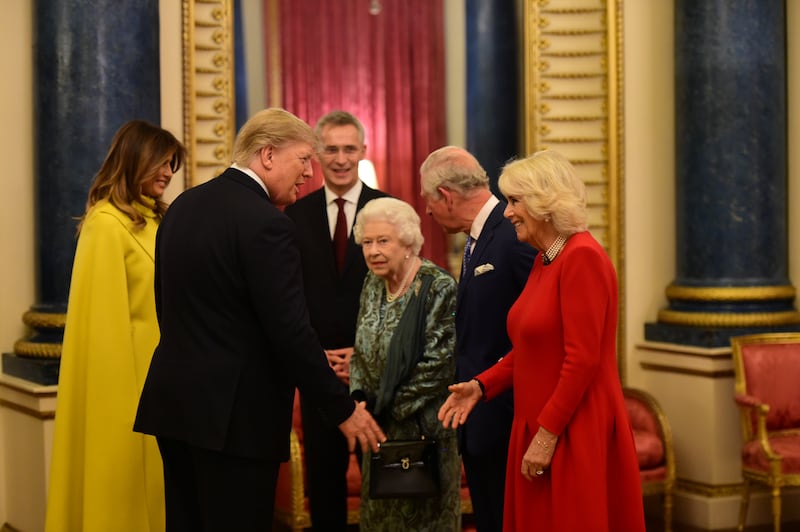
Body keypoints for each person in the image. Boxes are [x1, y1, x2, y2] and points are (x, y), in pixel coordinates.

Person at [133, 108, 386, 532]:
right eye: (303, 159)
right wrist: (341, 408)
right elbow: (289, 332)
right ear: (267, 155)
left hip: (174, 407)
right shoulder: (268, 223)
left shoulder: (181, 207)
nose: (309, 172)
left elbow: (168, 308)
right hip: (237, 420)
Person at [437, 150, 646, 531]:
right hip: (538, 422)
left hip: (572, 428)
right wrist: (482, 386)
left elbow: (581, 360)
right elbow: (530, 349)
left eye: (515, 201)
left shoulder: (583, 257)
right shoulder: (544, 260)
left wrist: (548, 435)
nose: (507, 212)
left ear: (544, 204)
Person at [45, 120, 186, 532]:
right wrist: (122, 401)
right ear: (133, 160)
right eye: (160, 162)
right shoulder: (106, 223)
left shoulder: (161, 220)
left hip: (167, 376)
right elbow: (102, 325)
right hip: (129, 382)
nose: (168, 172)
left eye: (172, 164)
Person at [419, 146, 536, 532]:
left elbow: (538, 328)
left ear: (446, 196)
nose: (428, 212)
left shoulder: (513, 235)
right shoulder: (480, 237)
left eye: (428, 201)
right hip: (479, 413)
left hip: (506, 415)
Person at [284, 110, 389, 530]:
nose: (341, 158)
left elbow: (403, 297)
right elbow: (288, 297)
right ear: (317, 154)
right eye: (331, 149)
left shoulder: (390, 210)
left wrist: (362, 355)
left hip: (381, 375)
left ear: (363, 151)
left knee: (384, 490)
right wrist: (318, 357)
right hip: (318, 373)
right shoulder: (294, 214)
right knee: (325, 490)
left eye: (350, 149)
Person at [349, 197, 461, 531]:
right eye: (367, 242)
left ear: (408, 242)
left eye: (383, 241)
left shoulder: (437, 287)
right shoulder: (372, 283)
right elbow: (361, 348)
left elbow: (439, 363)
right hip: (377, 431)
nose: (373, 251)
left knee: (425, 520)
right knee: (380, 517)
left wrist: (386, 408)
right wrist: (359, 399)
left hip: (425, 430)